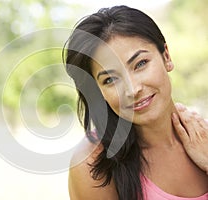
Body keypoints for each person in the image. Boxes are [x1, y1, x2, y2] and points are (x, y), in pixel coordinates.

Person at [63, 5, 208, 200]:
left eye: (140, 64)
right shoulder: (93, 165)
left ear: (166, 56)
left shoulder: (203, 137)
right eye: (110, 80)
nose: (132, 89)